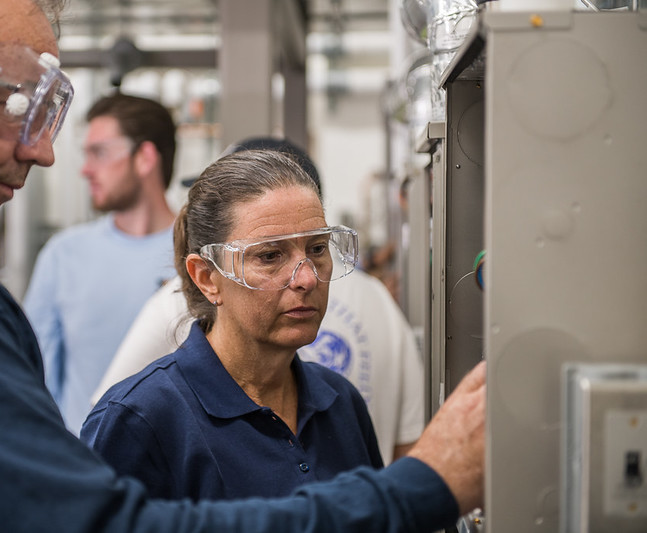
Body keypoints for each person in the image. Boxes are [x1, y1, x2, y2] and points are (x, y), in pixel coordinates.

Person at [0, 1, 485, 531]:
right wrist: (420, 487)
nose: (42, 151)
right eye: (12, 102)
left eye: (317, 249)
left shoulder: (336, 401)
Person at [92, 137, 424, 464]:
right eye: (269, 256)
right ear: (207, 278)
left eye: (317, 249)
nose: (307, 278)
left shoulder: (340, 403)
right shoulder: (140, 422)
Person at [23, 92, 177, 434]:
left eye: (99, 153)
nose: (86, 169)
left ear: (145, 158)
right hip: (84, 468)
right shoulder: (63, 255)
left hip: (181, 473)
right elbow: (33, 380)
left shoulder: (199, 256)